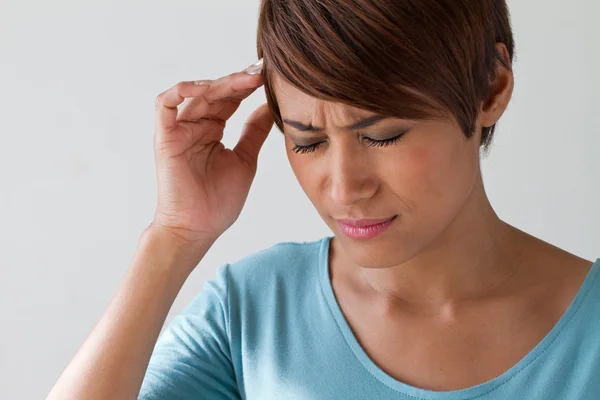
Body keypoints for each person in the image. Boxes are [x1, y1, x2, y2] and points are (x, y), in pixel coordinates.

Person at [47, 1, 600, 399]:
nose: (342, 186)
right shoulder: (253, 313)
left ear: (491, 89)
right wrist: (173, 236)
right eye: (307, 141)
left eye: (382, 135)